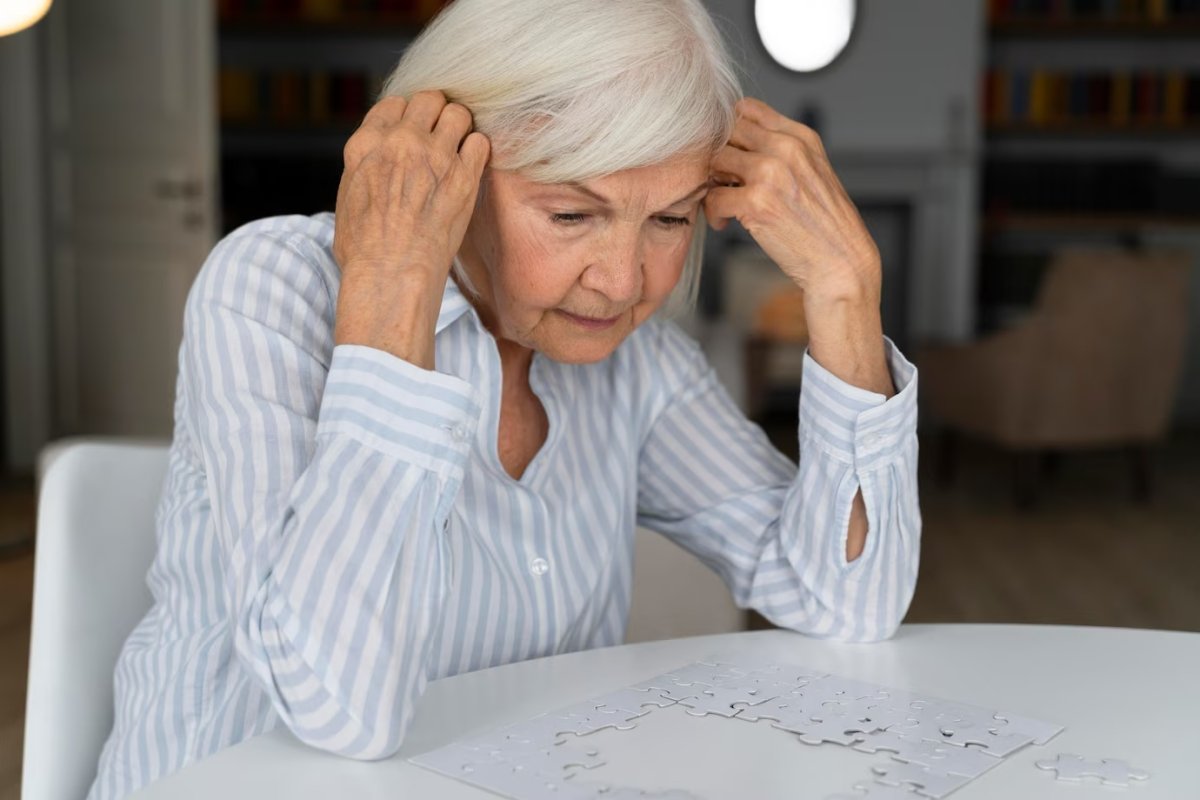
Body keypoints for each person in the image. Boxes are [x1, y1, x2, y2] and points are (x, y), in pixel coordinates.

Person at [87, 0, 920, 796]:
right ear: (450, 167)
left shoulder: (640, 366)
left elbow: (847, 599)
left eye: (670, 220)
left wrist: (846, 288)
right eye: (571, 215)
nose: (623, 282)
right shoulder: (271, 290)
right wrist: (395, 283)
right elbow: (341, 710)